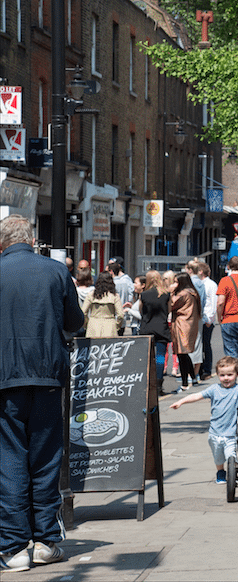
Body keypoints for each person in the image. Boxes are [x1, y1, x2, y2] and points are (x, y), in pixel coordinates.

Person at [0, 216, 85, 571]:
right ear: (32, 240)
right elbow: (74, 321)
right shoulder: (54, 271)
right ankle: (45, 541)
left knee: (10, 458)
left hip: (6, 378)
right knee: (46, 458)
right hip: (49, 375)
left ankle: (13, 546)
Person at [170, 356, 238, 484]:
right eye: (222, 375)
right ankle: (220, 472)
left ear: (237, 374)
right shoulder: (214, 389)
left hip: (231, 433)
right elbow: (197, 396)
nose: (226, 378)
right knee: (218, 458)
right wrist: (181, 401)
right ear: (217, 375)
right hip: (215, 433)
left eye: (230, 374)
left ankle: (234, 474)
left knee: (232, 456)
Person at [166, 271, 203, 391]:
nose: (175, 284)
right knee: (184, 354)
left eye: (176, 282)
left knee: (182, 354)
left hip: (182, 325)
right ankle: (193, 378)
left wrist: (170, 292)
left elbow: (171, 305)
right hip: (190, 324)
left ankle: (185, 383)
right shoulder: (193, 293)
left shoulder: (182, 294)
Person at [140, 270, 173, 396]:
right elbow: (169, 310)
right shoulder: (166, 294)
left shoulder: (144, 294)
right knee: (160, 357)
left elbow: (141, 310)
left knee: (147, 358)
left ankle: (147, 384)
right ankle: (159, 385)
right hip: (161, 328)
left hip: (147, 328)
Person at [195, 262, 219, 380]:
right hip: (200, 318)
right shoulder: (199, 284)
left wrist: (210, 318)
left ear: (201, 272)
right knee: (199, 345)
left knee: (206, 345)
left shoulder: (211, 284)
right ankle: (199, 370)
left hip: (207, 319)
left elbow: (213, 302)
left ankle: (207, 369)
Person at [83, 271, 123, 338]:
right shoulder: (115, 296)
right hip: (110, 327)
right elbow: (121, 315)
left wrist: (87, 324)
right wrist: (116, 326)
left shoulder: (91, 295)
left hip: (93, 326)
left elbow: (83, 312)